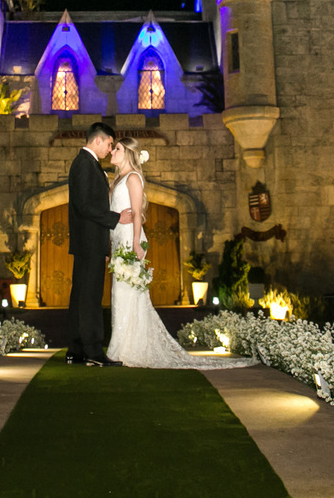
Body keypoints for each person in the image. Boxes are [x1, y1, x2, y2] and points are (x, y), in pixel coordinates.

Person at [106, 137, 254, 370]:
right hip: (118, 240)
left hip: (130, 239)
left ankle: (129, 348)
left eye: (117, 149)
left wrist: (136, 243)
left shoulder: (133, 178)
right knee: (120, 293)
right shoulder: (117, 181)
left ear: (129, 154)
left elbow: (137, 213)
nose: (112, 151)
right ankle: (121, 346)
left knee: (129, 292)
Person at [65, 122, 132, 366]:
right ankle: (93, 351)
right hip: (89, 242)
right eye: (109, 144)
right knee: (90, 297)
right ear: (98, 141)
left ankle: (76, 349)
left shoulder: (88, 164)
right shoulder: (84, 164)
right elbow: (83, 205)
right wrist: (117, 219)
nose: (109, 149)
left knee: (82, 296)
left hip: (90, 242)